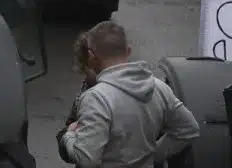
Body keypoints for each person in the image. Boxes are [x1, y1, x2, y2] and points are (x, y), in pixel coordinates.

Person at [58, 22, 198, 168]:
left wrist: (69, 136)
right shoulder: (159, 88)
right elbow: (188, 129)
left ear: (91, 56)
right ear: (129, 50)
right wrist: (152, 154)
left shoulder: (96, 98)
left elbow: (87, 159)